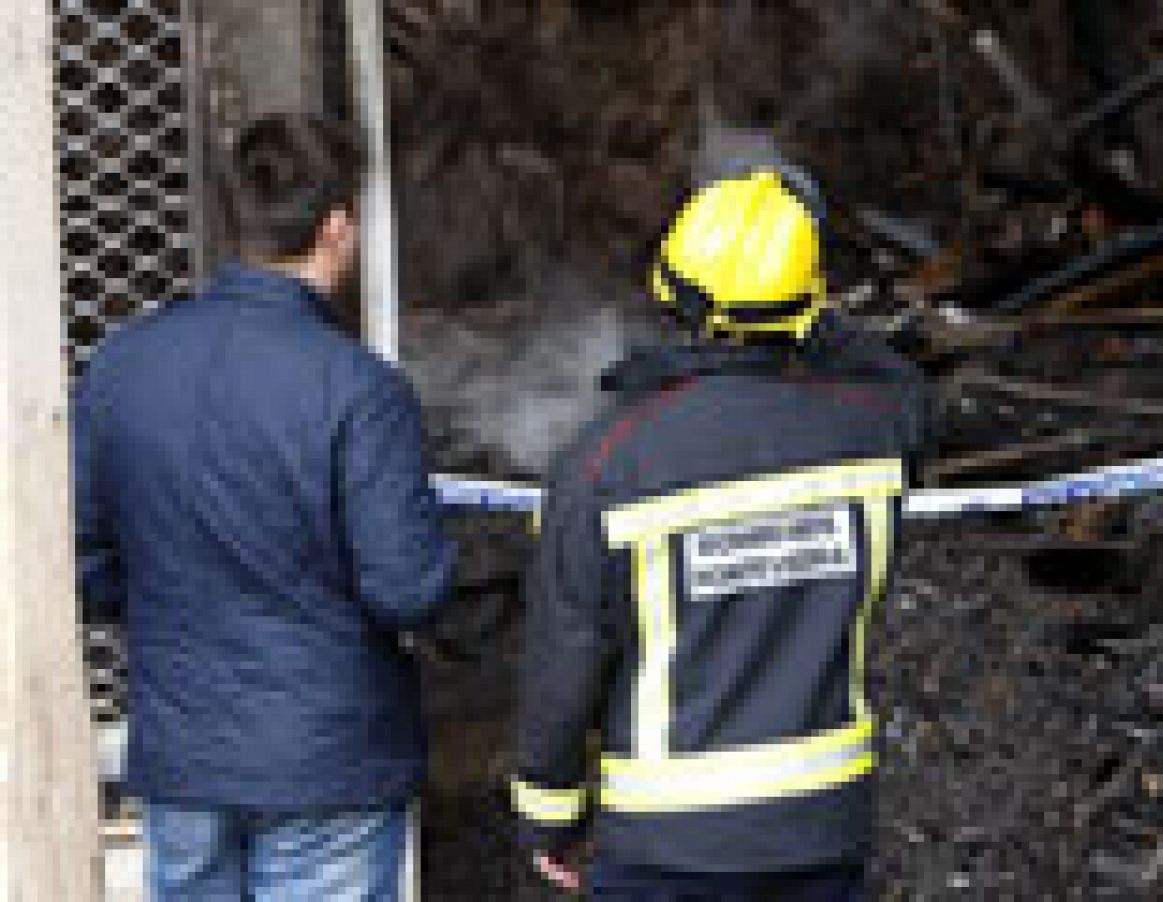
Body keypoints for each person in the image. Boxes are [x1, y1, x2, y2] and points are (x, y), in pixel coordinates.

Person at [514, 170, 926, 900]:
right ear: (807, 304)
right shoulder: (870, 433)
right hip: (817, 833)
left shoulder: (605, 463)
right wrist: (810, 312)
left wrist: (550, 817)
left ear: (670, 293)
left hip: (663, 845)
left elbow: (566, 666)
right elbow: (903, 386)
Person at [73, 114, 455, 901]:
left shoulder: (121, 368)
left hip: (183, 758)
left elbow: (86, 562)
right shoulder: (359, 389)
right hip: (328, 764)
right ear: (338, 227)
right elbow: (405, 588)